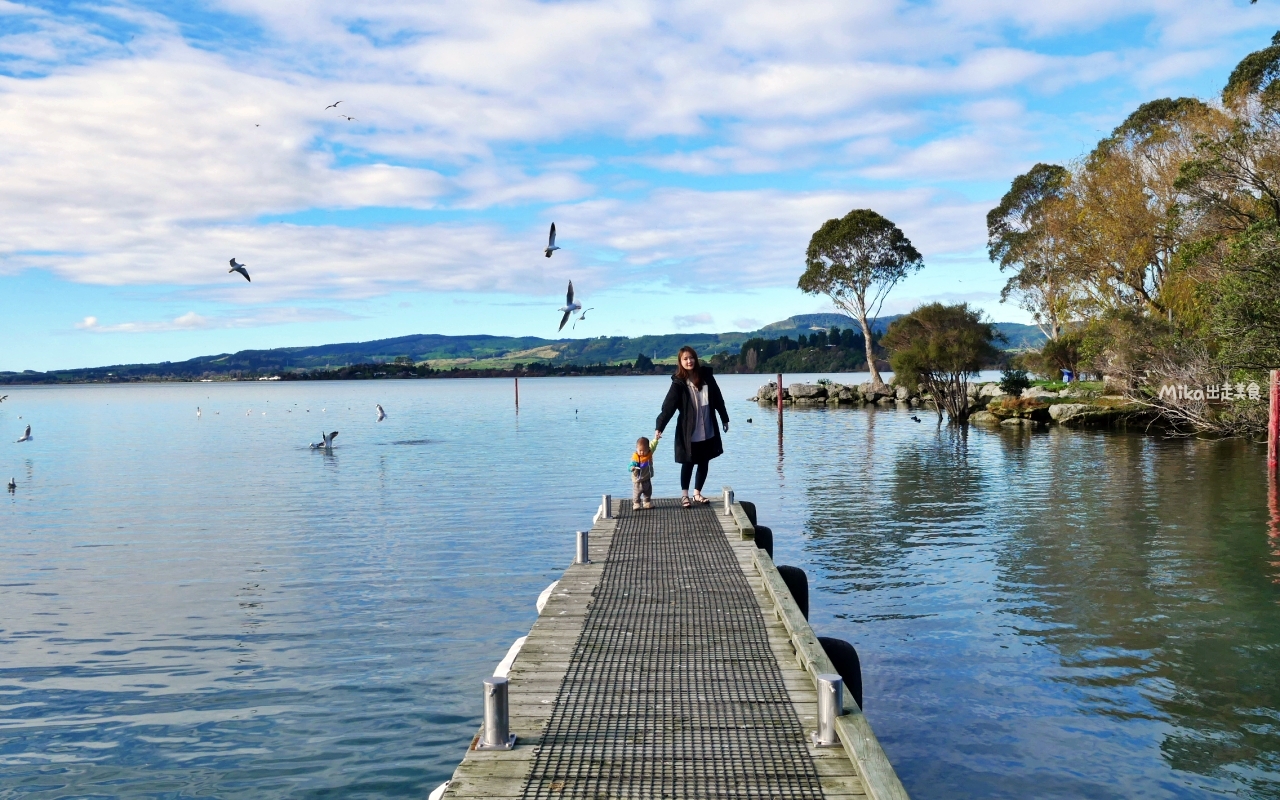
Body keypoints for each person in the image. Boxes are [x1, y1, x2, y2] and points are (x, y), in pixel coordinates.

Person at [655, 346, 729, 508]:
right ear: (681, 362)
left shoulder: (706, 377)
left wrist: (724, 418)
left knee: (704, 460)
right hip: (689, 430)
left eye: (691, 358)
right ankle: (685, 495)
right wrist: (660, 426)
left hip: (708, 427)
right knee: (688, 461)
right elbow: (668, 407)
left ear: (695, 358)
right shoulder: (679, 383)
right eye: (685, 359)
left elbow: (717, 399)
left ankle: (697, 493)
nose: (689, 361)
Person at [629, 436, 655, 509]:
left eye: (644, 450)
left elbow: (653, 445)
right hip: (638, 480)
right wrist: (632, 468)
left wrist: (656, 439)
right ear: (636, 449)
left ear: (648, 449)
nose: (642, 452)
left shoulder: (649, 453)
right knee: (636, 493)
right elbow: (630, 465)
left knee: (648, 492)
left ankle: (647, 502)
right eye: (640, 450)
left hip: (647, 478)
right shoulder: (635, 457)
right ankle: (636, 503)